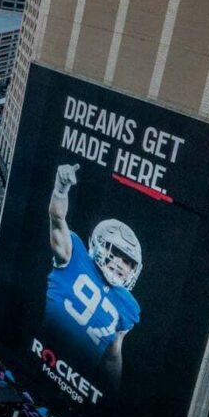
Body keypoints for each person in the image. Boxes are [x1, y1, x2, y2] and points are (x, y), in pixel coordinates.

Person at [45, 163, 142, 386]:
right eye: (116, 253)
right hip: (47, 349)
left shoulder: (129, 306)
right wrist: (60, 190)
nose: (121, 264)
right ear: (99, 244)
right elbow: (57, 220)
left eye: (128, 262)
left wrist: (111, 398)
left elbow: (113, 355)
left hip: (82, 377)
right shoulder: (74, 254)